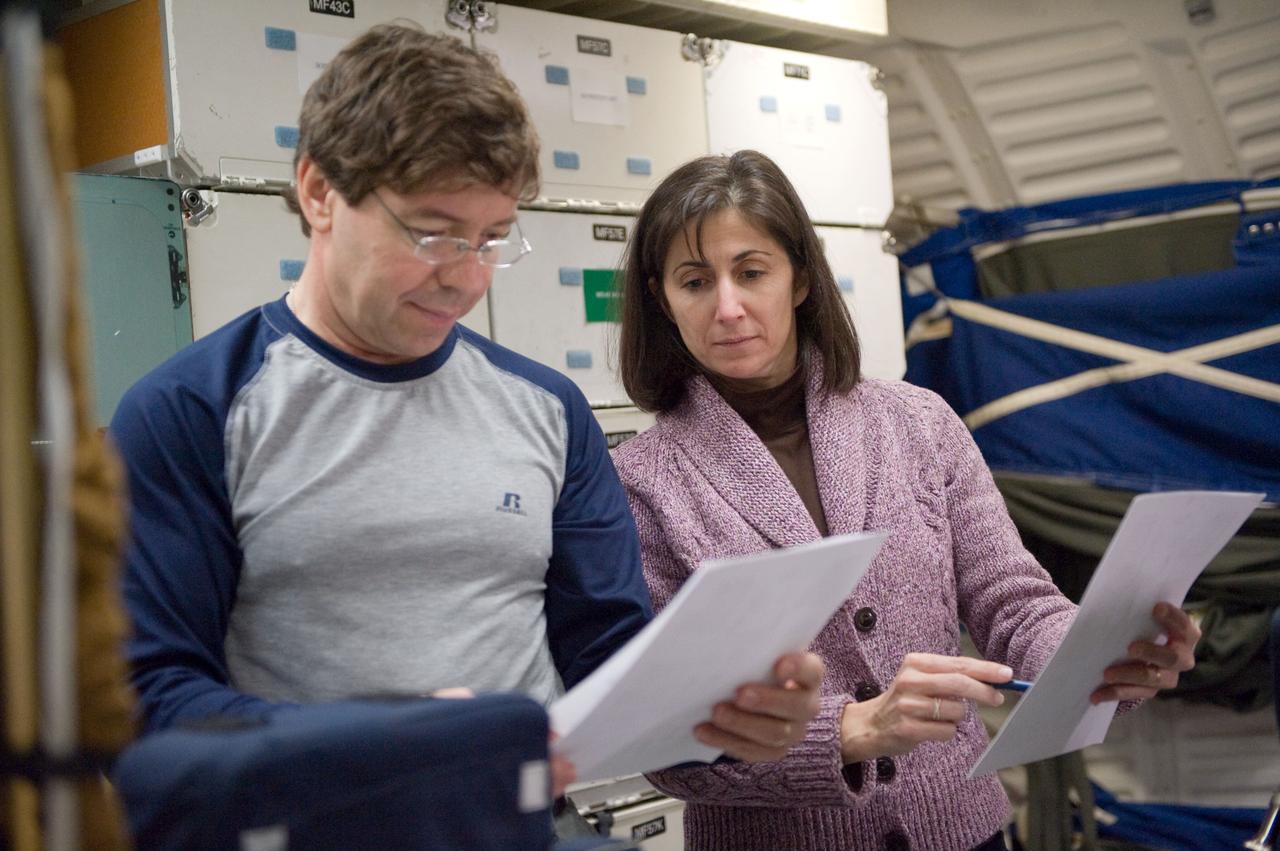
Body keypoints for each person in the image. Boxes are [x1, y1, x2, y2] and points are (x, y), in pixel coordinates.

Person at [110, 25, 825, 805]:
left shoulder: (549, 411)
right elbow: (148, 704)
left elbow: (610, 666)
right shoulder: (192, 411)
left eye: (490, 239)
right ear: (318, 191)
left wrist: (724, 717)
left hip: (520, 824)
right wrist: (377, 746)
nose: (463, 278)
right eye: (433, 233)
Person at [610, 149, 1202, 851]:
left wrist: (1105, 654)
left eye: (752, 271)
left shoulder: (919, 423)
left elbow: (1011, 602)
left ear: (800, 277)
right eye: (695, 281)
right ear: (662, 297)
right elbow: (665, 741)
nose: (728, 306)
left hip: (965, 832)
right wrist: (850, 731)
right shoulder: (638, 483)